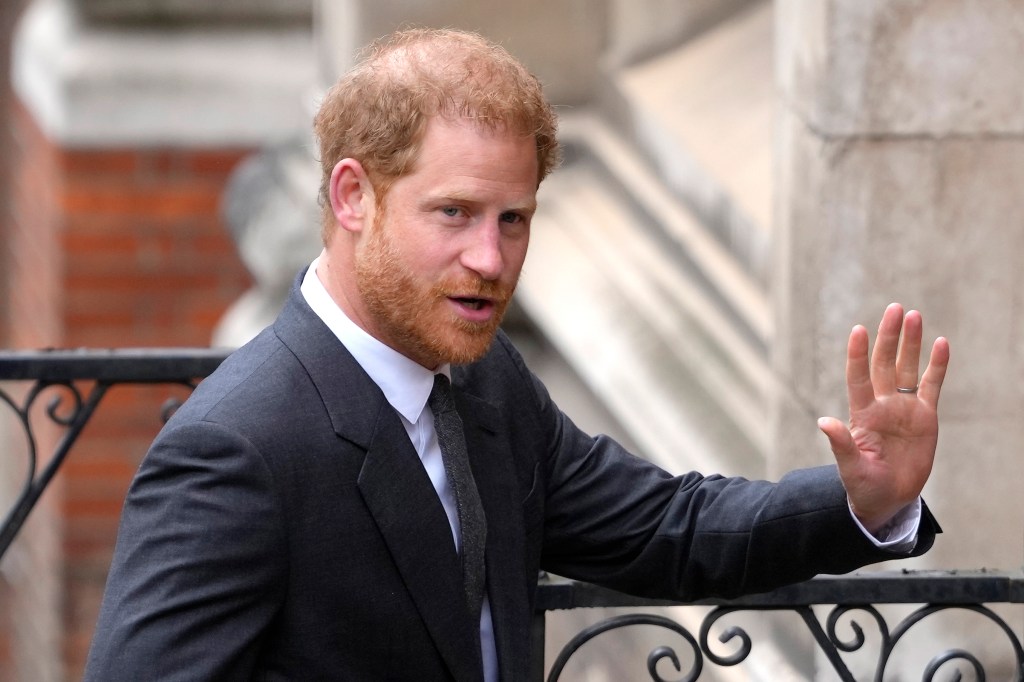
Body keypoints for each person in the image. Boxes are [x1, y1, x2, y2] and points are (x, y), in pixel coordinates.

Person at [83, 28, 950, 682]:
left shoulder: (483, 381)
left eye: (514, 219)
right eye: (453, 213)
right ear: (354, 196)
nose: (492, 262)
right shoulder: (234, 449)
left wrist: (861, 501)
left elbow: (664, 527)